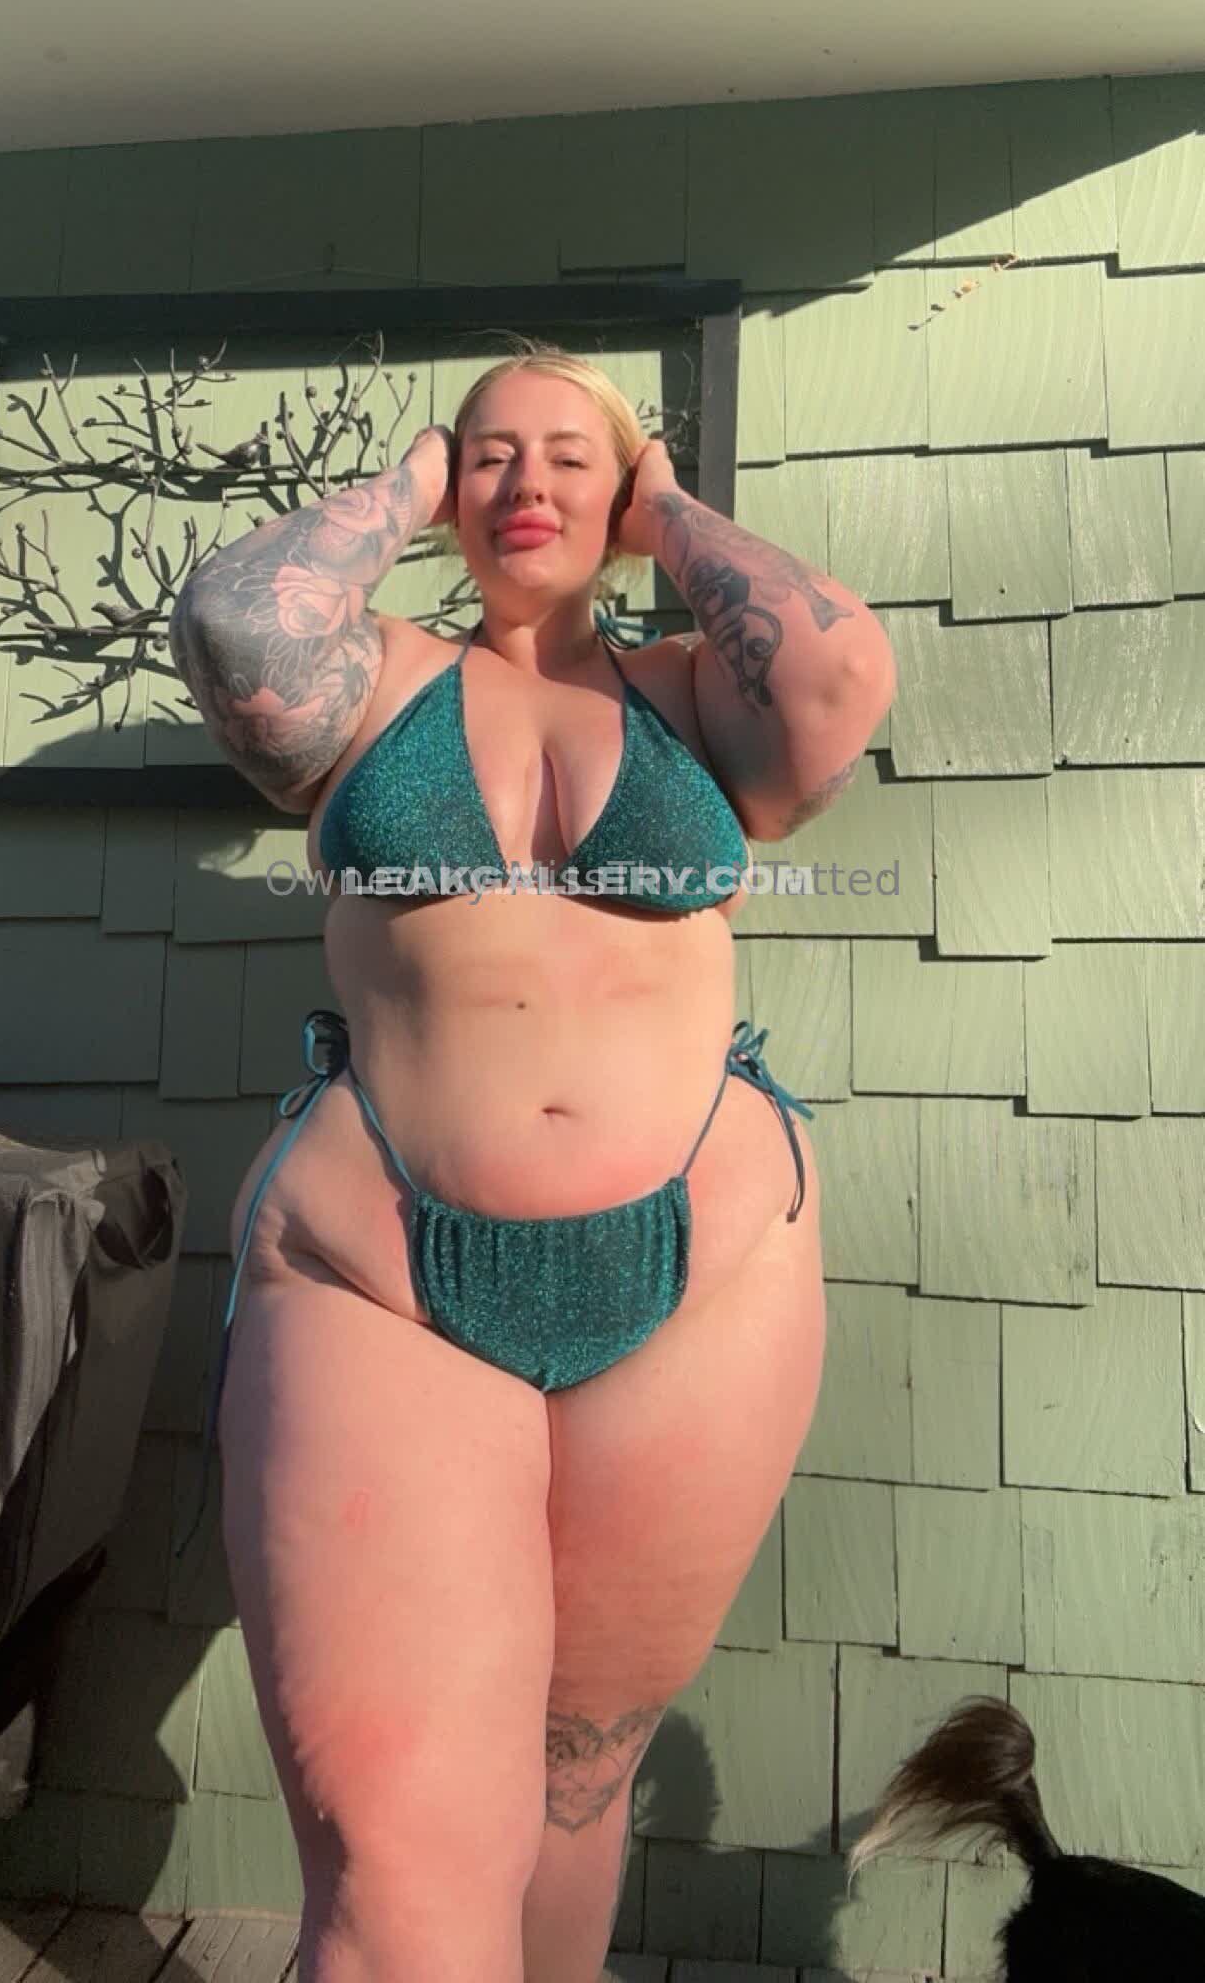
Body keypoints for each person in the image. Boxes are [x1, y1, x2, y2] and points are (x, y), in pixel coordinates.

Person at [167, 343, 896, 1983]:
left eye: (570, 454)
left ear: (624, 486)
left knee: (576, 1788)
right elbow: (237, 628)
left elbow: (835, 675)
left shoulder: (693, 694)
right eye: (492, 452)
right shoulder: (372, 684)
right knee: (394, 1850)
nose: (526, 482)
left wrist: (666, 510)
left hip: (701, 1279)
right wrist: (410, 485)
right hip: (377, 1276)